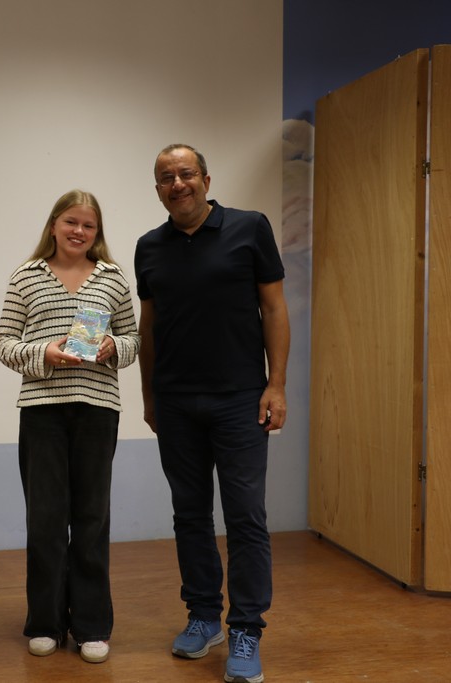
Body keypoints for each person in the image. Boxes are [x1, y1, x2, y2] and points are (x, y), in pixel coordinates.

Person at [134, 144, 289, 683]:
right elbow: (149, 327)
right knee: (190, 514)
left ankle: (246, 628)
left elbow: (274, 307)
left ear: (204, 178)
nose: (177, 183)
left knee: (245, 516)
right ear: (158, 189)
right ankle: (204, 616)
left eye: (185, 173)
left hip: (240, 399)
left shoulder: (250, 228)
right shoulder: (149, 247)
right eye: (165, 177)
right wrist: (150, 396)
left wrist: (276, 385)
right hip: (176, 402)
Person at [0, 190, 140, 665]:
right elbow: (4, 343)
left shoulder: (113, 277)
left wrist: (113, 347)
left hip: (99, 410)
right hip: (42, 411)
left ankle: (92, 625)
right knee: (46, 521)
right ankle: (45, 623)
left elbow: (134, 338)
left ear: (97, 232)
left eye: (88, 226)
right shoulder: (26, 276)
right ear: (54, 224)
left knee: (92, 520)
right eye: (71, 222)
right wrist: (44, 353)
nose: (79, 232)